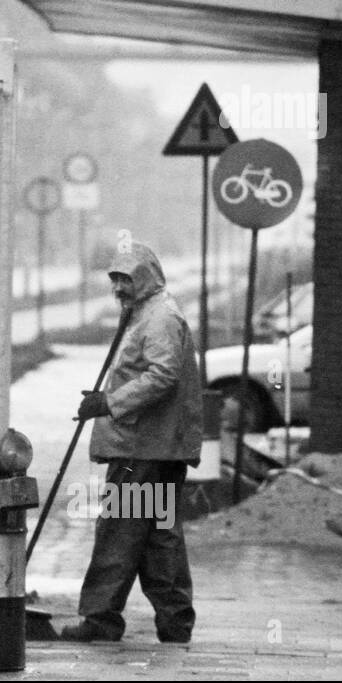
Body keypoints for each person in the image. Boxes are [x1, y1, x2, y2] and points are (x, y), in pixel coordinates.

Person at [61, 241, 202, 644]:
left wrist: (109, 402)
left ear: (146, 278)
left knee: (120, 531)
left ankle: (101, 619)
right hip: (155, 447)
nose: (119, 288)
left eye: (126, 279)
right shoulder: (149, 313)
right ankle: (175, 621)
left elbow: (162, 375)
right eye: (115, 280)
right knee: (158, 534)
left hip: (141, 449)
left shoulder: (158, 319)